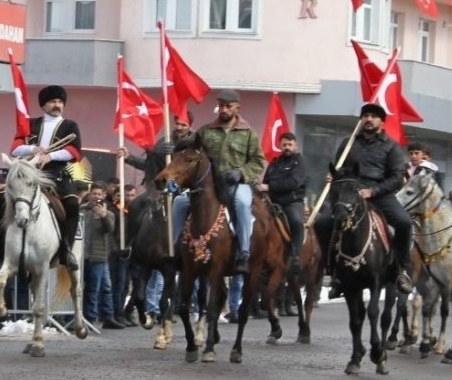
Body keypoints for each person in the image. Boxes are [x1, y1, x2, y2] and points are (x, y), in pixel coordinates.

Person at [314, 103, 413, 297]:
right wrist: (334, 177)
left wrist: (373, 191)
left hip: (380, 194)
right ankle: (331, 270)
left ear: (381, 122)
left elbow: (396, 177)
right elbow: (339, 168)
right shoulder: (348, 143)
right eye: (365, 116)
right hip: (349, 193)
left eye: (373, 116)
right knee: (323, 222)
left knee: (404, 223)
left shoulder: (391, 146)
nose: (368, 119)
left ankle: (402, 270)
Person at [171, 90, 266, 274]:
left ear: (237, 108)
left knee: (242, 203)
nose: (223, 109)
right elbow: (190, 143)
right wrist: (174, 143)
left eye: (228, 106)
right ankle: (176, 249)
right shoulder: (206, 130)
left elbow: (258, 161)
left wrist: (242, 173)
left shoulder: (248, 133)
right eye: (221, 105)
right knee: (180, 202)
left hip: (236, 184)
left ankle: (243, 253)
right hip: (209, 185)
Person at [10, 85, 83, 271]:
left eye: (59, 101)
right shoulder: (30, 124)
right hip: (30, 174)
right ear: (43, 105)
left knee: (73, 205)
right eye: (52, 101)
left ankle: (66, 250)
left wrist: (49, 156)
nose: (56, 105)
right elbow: (14, 148)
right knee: (5, 200)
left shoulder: (70, 126)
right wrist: (32, 149)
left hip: (56, 176)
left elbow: (74, 151)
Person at [257, 131, 308, 273]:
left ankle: (295, 256)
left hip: (291, 202)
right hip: (271, 202)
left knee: (296, 221)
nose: (287, 147)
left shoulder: (300, 163)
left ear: (295, 145)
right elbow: (265, 182)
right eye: (284, 144)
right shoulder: (274, 164)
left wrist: (270, 186)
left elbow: (293, 183)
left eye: (290, 144)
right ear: (280, 146)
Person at [81, 183, 120, 329]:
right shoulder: (83, 211)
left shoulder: (108, 213)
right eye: (94, 194)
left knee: (96, 289)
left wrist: (104, 216)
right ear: (90, 195)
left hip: (99, 257)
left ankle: (92, 318)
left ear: (103, 195)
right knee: (102, 287)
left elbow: (110, 229)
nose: (96, 197)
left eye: (99, 194)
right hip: (83, 256)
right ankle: (104, 316)